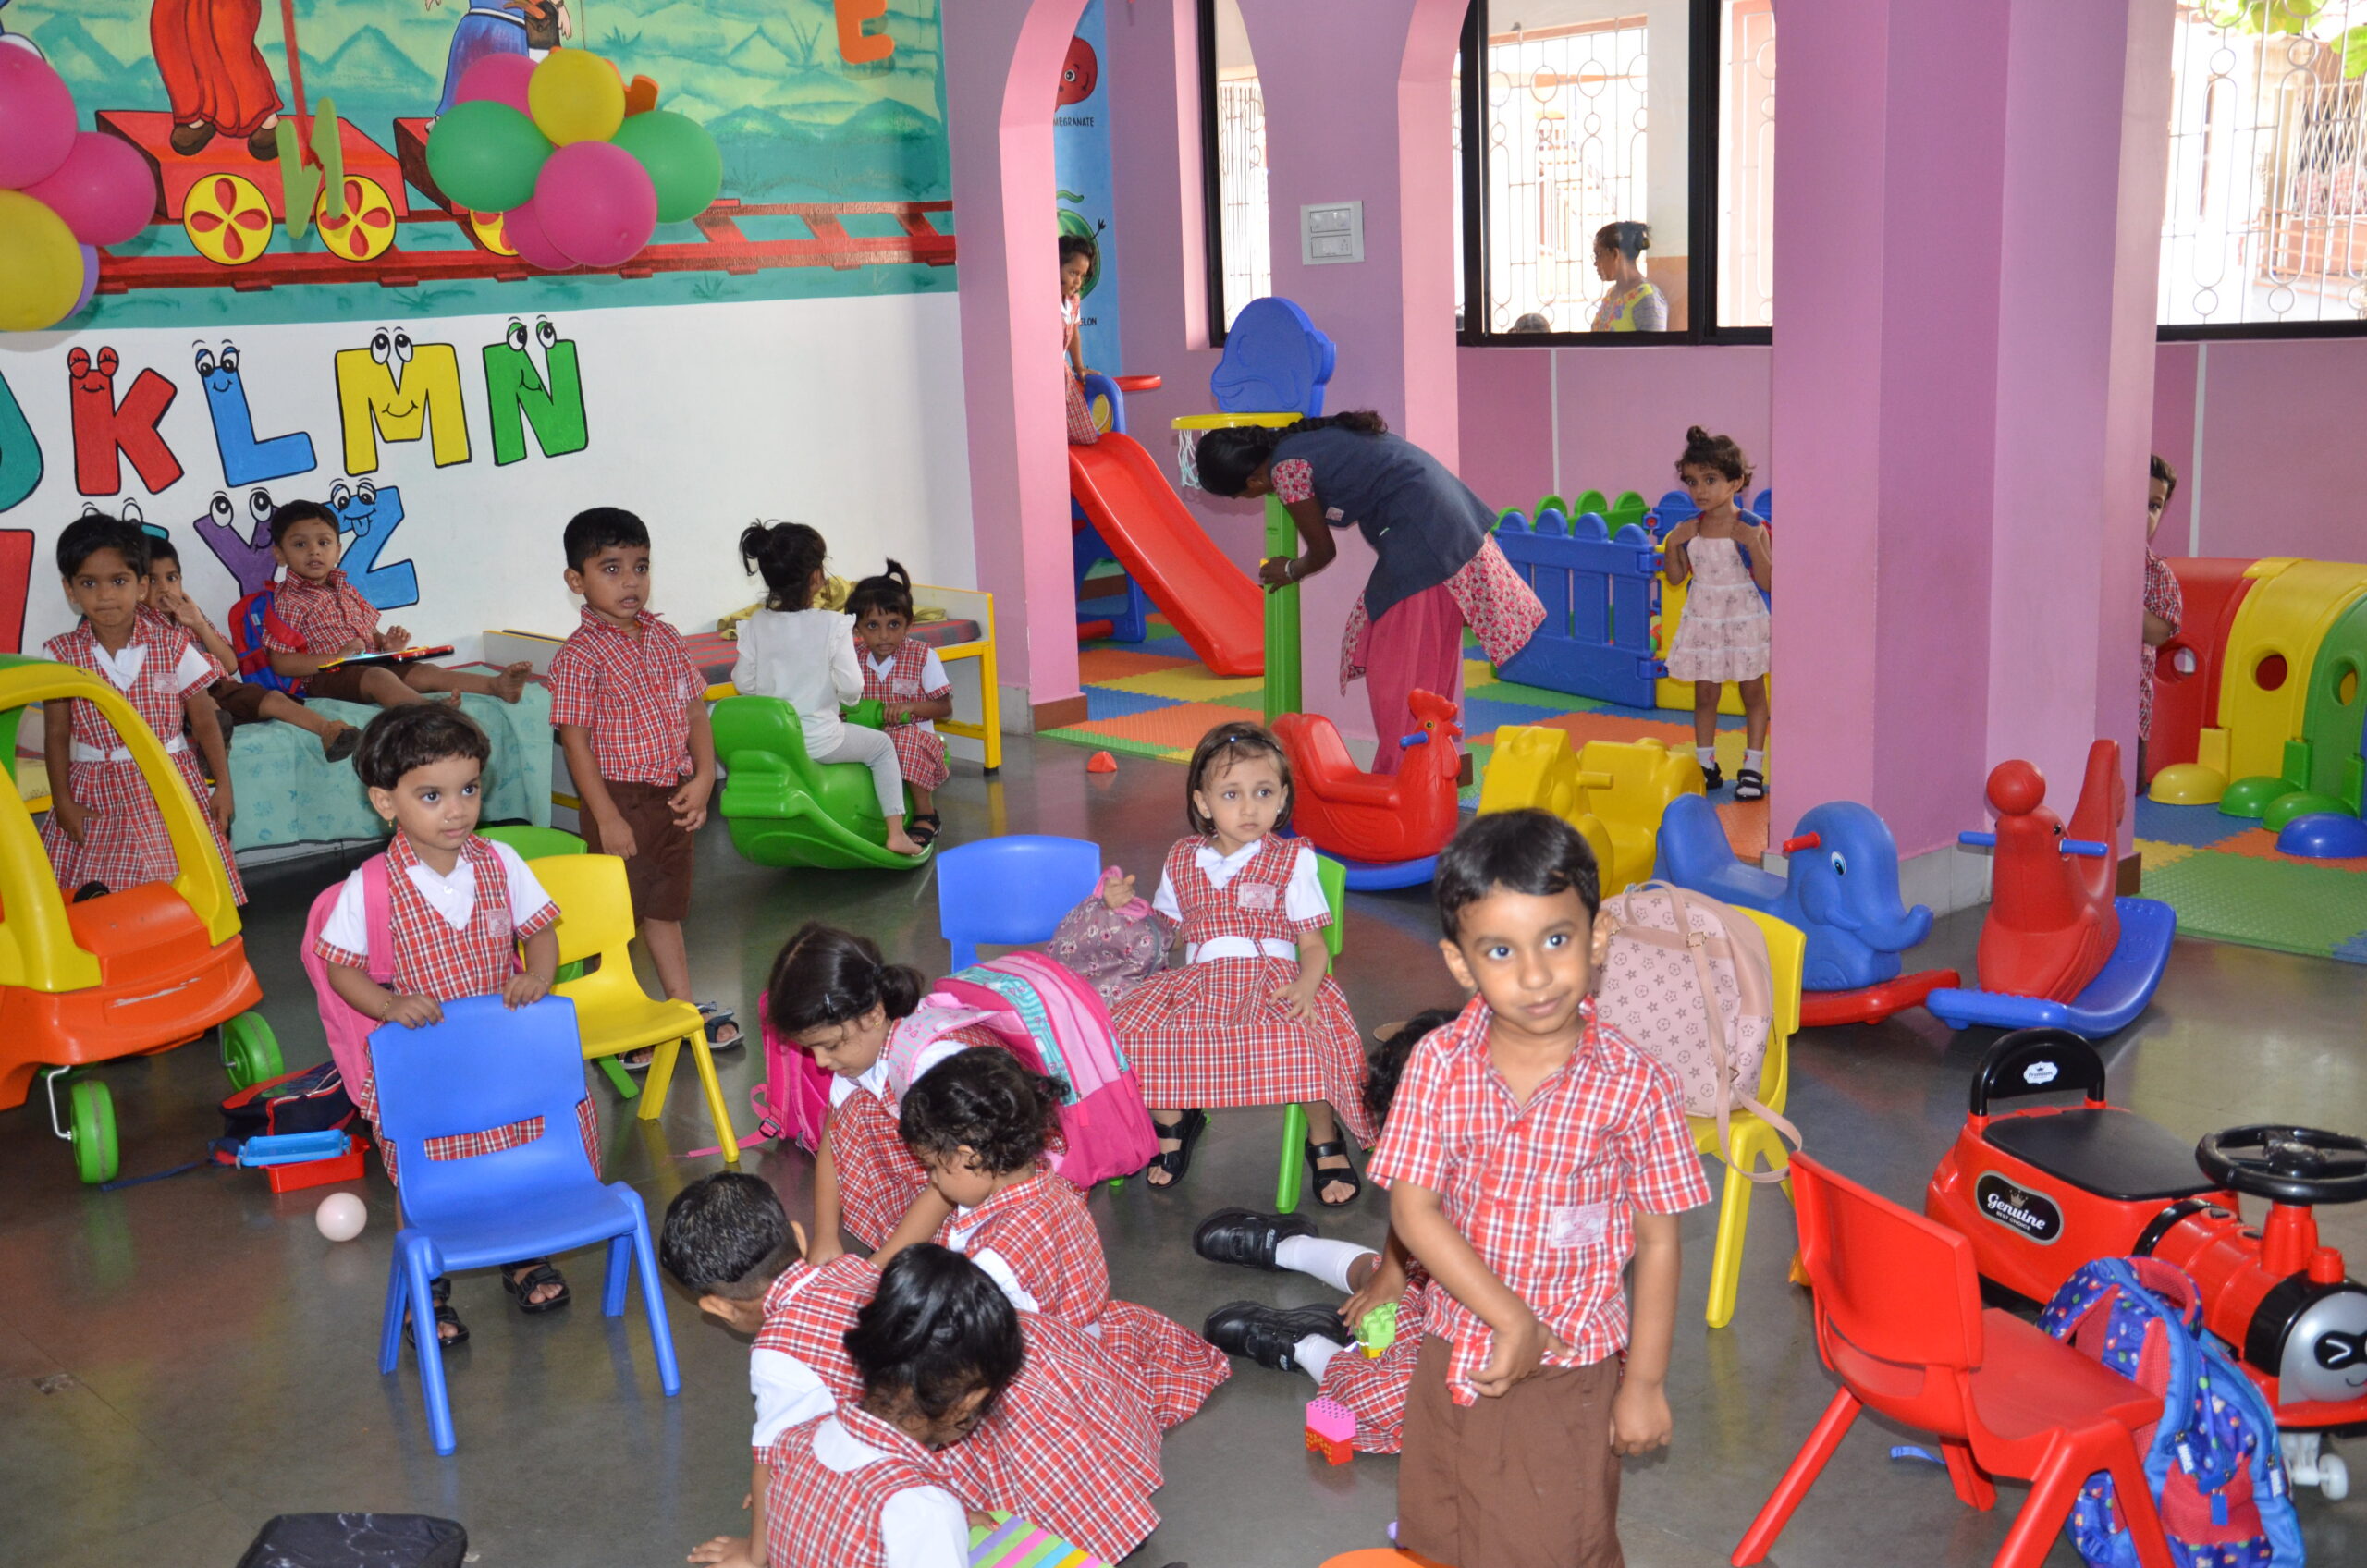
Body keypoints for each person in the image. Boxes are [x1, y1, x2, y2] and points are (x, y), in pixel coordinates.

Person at [1368, 811, 1711, 1568]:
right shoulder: (1438, 1064)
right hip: (1451, 1349)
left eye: (1556, 940)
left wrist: (1644, 1384)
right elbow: (1414, 1209)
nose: (1534, 975)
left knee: (1554, 1543)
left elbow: (1658, 1243)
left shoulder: (1636, 1085)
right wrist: (1507, 1317)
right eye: (1500, 950)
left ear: (1598, 937)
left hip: (1568, 1369)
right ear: (1460, 964)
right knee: (1445, 1527)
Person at [662, 1171, 1164, 1564]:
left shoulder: (775, 1355)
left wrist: (755, 1556)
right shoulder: (850, 1268)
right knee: (1046, 1487)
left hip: (930, 1429)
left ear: (718, 1307)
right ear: (797, 1234)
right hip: (1016, 1398)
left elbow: (773, 1458)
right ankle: (1107, 1532)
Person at [314, 704, 593, 1343]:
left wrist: (537, 976)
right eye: (432, 796)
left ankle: (523, 1254)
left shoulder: (500, 861)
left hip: (500, 1056)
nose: (457, 810)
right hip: (429, 1066)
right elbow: (340, 968)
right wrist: (388, 1006)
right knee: (428, 1175)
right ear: (385, 802)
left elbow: (539, 931)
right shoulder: (371, 886)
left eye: (468, 789)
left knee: (513, 1150)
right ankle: (428, 1283)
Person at [877, 1049, 1232, 1430]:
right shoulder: (1052, 1187)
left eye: (933, 1167)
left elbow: (980, 1350)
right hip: (1081, 1340)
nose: (932, 1181)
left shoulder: (995, 1258)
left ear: (969, 1157)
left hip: (1044, 1375)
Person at [1104, 721, 1375, 1202]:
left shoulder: (1292, 859)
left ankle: (1324, 1136)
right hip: (1198, 982)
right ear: (1204, 803)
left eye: (1263, 792)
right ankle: (1174, 1120)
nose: (1249, 807)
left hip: (1273, 980)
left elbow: (1314, 945)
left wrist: (1307, 986)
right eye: (1231, 794)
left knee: (1303, 1041)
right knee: (1129, 1034)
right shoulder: (1182, 858)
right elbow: (1167, 935)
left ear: (1283, 798)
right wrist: (1125, 910)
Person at [1193, 413, 1547, 773]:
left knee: (1400, 679)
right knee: (1424, 672)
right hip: (1446, 529)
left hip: (1428, 542)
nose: (1252, 497)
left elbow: (1322, 551)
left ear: (1254, 479)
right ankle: (1429, 773)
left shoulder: (1286, 470)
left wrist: (1289, 569)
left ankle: (1404, 777)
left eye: (1243, 494)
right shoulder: (1302, 443)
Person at [1194, 1009, 1464, 1454]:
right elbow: (1413, 1214)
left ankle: (1305, 1343)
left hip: (1489, 1337)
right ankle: (1293, 1247)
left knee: (1400, 1406)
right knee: (1386, 1282)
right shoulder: (1434, 1161)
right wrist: (1391, 1275)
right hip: (1444, 1302)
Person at [689, 1244, 1023, 1568]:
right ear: (968, 1403)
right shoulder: (927, 1512)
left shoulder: (793, 1441)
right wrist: (940, 1524)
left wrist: (945, 1522)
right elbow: (913, 1518)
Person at [546, 507, 736, 1069]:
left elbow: (696, 712)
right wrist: (606, 817)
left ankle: (680, 1009)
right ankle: (615, 1019)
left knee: (665, 907)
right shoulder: (579, 656)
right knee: (612, 918)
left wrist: (704, 777)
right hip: (619, 800)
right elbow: (576, 744)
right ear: (576, 580)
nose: (630, 581)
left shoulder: (666, 637)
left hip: (672, 794)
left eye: (641, 566)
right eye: (612, 568)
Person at [764, 924, 1010, 1258]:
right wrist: (825, 1236)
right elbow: (831, 1145)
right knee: (850, 1113)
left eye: (830, 1045)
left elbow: (953, 1177)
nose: (821, 1062)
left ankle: (939, 1245)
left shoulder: (929, 1064)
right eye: (811, 1049)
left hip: (979, 1179)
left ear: (874, 1015)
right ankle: (912, 1241)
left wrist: (880, 1265)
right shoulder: (858, 1057)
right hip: (943, 1171)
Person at [39, 513, 244, 904]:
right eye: (89, 583)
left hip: (170, 783)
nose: (105, 595)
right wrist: (63, 802)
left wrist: (224, 786)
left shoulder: (172, 645)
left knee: (182, 889)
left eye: (118, 581)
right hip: (96, 790)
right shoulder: (60, 653)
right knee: (103, 895)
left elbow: (204, 719)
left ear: (141, 586)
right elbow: (57, 734)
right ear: (70, 589)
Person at [730, 521, 924, 858]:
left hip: (777, 743)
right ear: (816, 576)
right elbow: (852, 687)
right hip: (821, 740)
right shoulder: (832, 625)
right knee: (882, 748)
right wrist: (843, 700)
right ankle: (896, 833)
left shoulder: (757, 624)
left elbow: (743, 683)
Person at [260, 500, 533, 709]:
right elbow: (282, 663)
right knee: (379, 678)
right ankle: (425, 710)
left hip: (372, 665)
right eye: (300, 544)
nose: (314, 550)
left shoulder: (345, 589)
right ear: (280, 555)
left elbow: (370, 632)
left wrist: (386, 644)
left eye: (323, 542)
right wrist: (336, 658)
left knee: (425, 672)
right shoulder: (289, 600)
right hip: (330, 678)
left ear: (338, 550)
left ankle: (495, 685)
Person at [142, 533, 362, 762]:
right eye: (153, 580)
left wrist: (200, 625)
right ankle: (212, 747)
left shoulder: (192, 613)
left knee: (273, 698)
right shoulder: (139, 624)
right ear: (139, 586)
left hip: (221, 686)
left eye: (171, 578)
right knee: (206, 708)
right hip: (182, 695)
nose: (164, 588)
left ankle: (329, 730)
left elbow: (230, 665)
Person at [1661, 426, 1772, 801]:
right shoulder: (1690, 528)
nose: (1700, 490)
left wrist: (1754, 545)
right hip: (1704, 617)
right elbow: (1675, 578)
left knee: (1752, 692)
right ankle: (1705, 764)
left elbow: (1769, 581)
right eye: (1693, 482)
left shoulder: (1751, 526)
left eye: (1710, 480)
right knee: (1705, 694)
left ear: (1735, 482)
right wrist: (1672, 544)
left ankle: (1753, 766)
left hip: (1742, 617)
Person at [848, 560, 953, 847]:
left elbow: (945, 708)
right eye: (873, 626)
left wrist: (911, 708)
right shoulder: (851, 659)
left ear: (909, 624)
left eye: (893, 625)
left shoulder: (923, 656)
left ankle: (926, 813)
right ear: (857, 628)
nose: (884, 635)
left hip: (915, 740)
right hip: (870, 738)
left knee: (903, 739)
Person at [2140, 455, 2185, 779]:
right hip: (2077, 702)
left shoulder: (2157, 572)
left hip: (2132, 712)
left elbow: (2159, 633)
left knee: (2125, 788)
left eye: (2154, 506)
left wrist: (2121, 597)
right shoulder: (2085, 560)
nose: (2144, 514)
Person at [1588, 221, 1667, 333]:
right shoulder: (1611, 293)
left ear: (1615, 254)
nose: (1595, 263)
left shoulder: (1647, 298)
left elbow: (1654, 344)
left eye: (1598, 255)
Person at [1060, 233, 1100, 446]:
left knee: (1081, 431)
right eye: (1073, 272)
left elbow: (1074, 332)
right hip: (1042, 370)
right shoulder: (1044, 299)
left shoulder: (1073, 301)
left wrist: (1079, 367)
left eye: (1082, 275)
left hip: (1062, 370)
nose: (1077, 281)